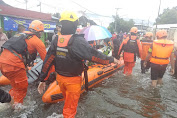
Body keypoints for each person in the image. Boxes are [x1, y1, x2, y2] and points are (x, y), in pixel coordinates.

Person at [37, 11, 119, 118]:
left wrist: (42, 79)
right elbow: (94, 56)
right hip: (72, 81)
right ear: (75, 25)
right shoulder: (78, 41)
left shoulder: (56, 39)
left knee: (68, 102)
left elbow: (48, 61)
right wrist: (111, 59)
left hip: (60, 80)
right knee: (70, 110)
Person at [0, 20, 48, 107]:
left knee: (16, 86)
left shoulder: (20, 35)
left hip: (2, 63)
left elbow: (18, 50)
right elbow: (47, 61)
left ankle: (10, 101)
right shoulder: (37, 41)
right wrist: (45, 77)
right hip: (14, 65)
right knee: (22, 88)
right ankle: (16, 108)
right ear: (39, 32)